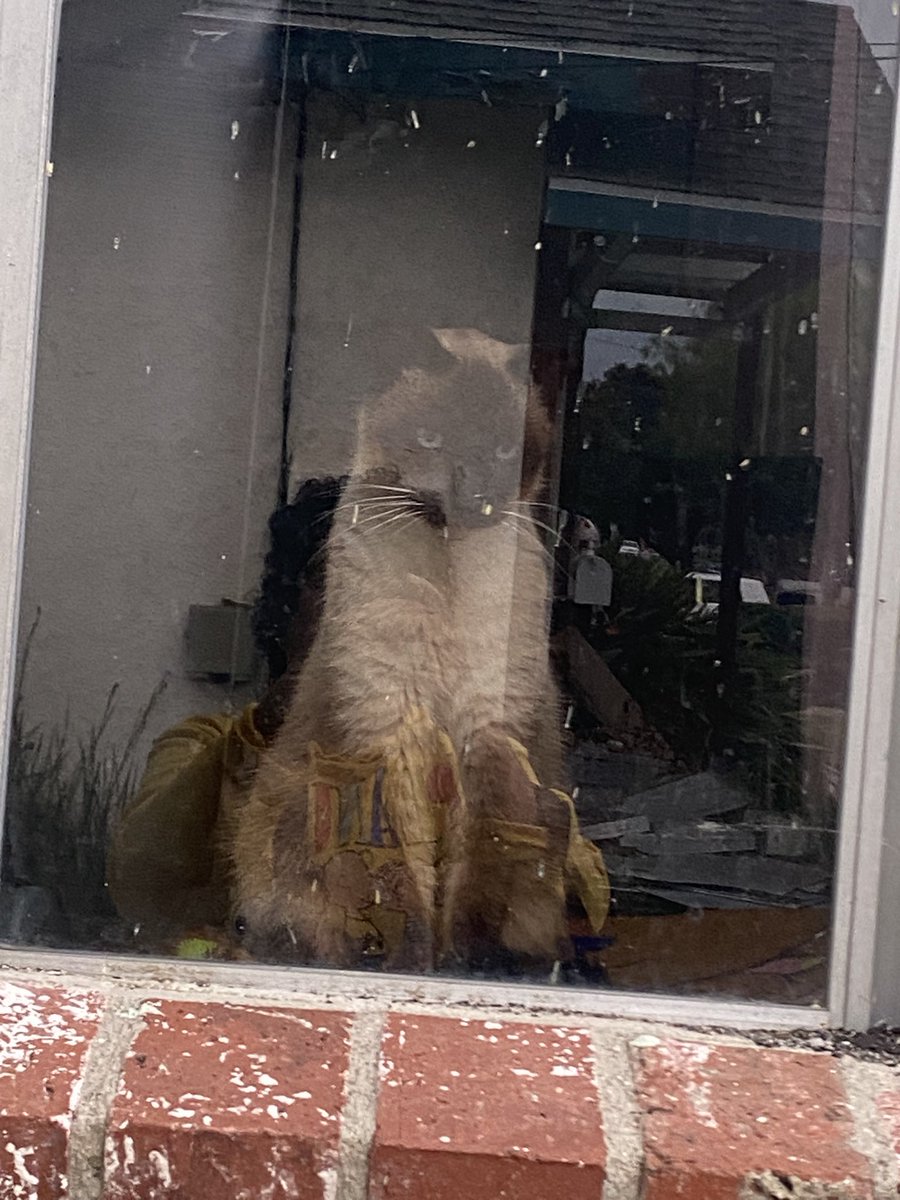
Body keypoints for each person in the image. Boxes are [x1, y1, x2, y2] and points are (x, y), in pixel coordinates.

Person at [107, 478, 610, 968]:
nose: (357, 597)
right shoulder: (204, 738)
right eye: (332, 578)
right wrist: (279, 716)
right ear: (290, 601)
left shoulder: (444, 758)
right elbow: (136, 873)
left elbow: (588, 894)